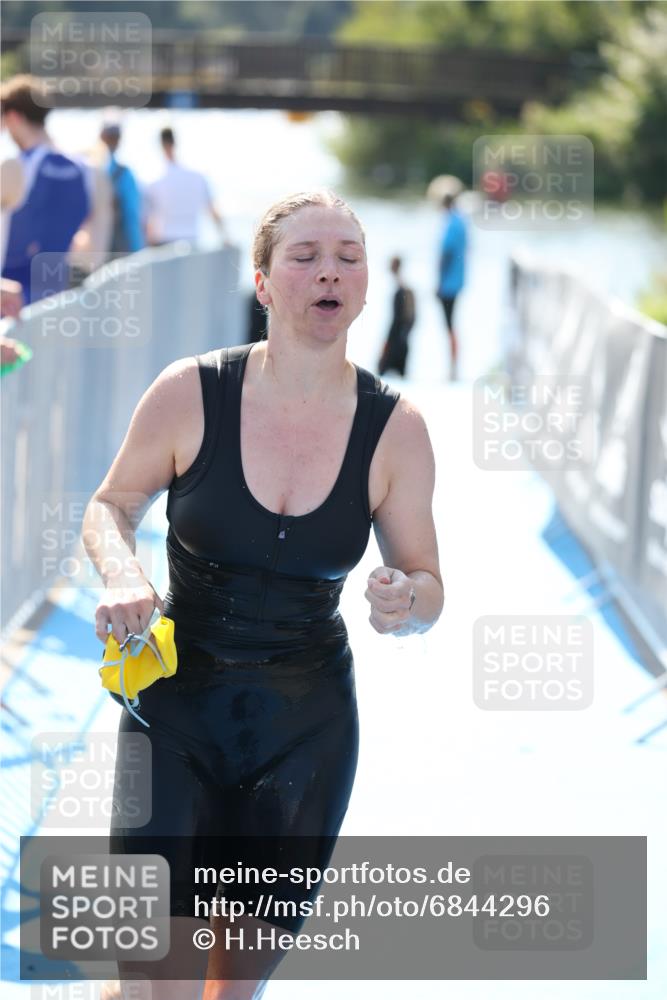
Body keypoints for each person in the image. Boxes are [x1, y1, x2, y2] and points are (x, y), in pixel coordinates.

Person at [83, 190, 443, 1000]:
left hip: (301, 731)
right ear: (264, 283)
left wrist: (404, 602)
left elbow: (427, 583)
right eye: (306, 257)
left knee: (228, 991)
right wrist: (123, 572)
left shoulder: (397, 429)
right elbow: (110, 507)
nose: (330, 273)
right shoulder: (190, 391)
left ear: (362, 287)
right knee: (153, 986)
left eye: (347, 258)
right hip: (173, 709)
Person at [0, 74, 89, 305]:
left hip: (13, 302)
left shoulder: (15, 167)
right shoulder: (81, 168)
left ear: (13, 117)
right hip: (56, 298)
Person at [144, 126, 223, 247]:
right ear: (175, 142)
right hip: (192, 244)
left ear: (161, 145)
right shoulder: (198, 177)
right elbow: (213, 212)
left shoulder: (154, 182)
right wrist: (225, 237)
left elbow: (148, 223)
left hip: (163, 246)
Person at [99, 122, 144, 255]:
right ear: (119, 141)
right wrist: (138, 250)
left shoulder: (92, 171)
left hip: (97, 249)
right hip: (121, 248)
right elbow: (132, 215)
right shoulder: (125, 174)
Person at [437, 191, 467, 380]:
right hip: (459, 280)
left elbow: (446, 252)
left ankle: (453, 367)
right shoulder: (462, 221)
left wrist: (439, 280)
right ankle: (454, 366)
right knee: (452, 323)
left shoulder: (450, 222)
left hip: (448, 283)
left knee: (449, 324)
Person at [378, 256, 416, 377]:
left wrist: (389, 342)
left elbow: (398, 320)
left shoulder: (402, 291)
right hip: (401, 338)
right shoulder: (404, 290)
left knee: (384, 370)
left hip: (397, 339)